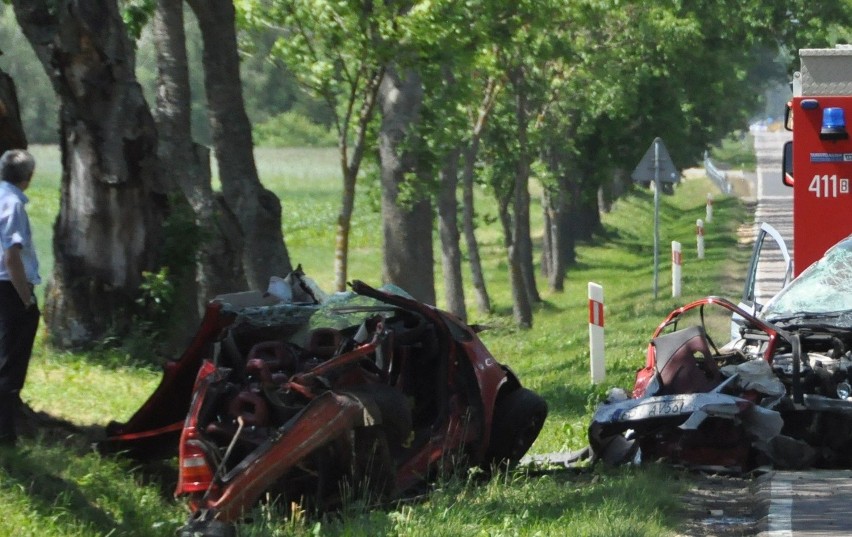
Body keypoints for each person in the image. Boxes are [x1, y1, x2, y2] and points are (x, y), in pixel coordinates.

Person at [0, 149, 40, 446]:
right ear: (28, 177)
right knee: (11, 363)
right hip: (10, 290)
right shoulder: (13, 204)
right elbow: (11, 255)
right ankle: (5, 434)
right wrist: (26, 299)